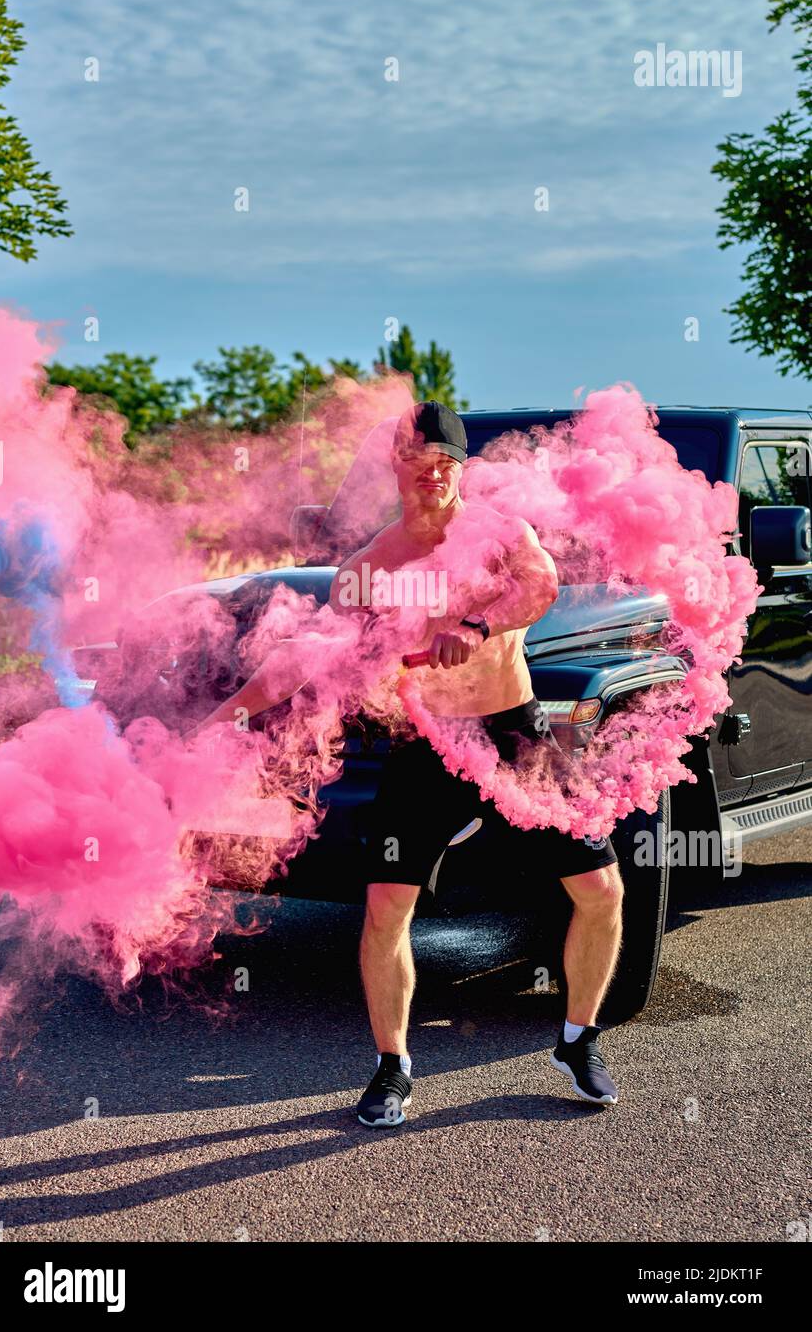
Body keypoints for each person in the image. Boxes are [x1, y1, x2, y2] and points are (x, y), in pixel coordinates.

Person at [199, 400, 623, 1124]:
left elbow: (540, 586)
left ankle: (577, 1040)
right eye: (420, 462)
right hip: (422, 742)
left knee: (600, 888)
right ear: (397, 468)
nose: (435, 475)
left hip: (511, 730)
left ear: (463, 468)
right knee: (385, 911)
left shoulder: (498, 535)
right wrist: (226, 715)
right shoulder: (369, 566)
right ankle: (391, 1067)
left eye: (448, 464)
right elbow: (307, 656)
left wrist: (476, 623)